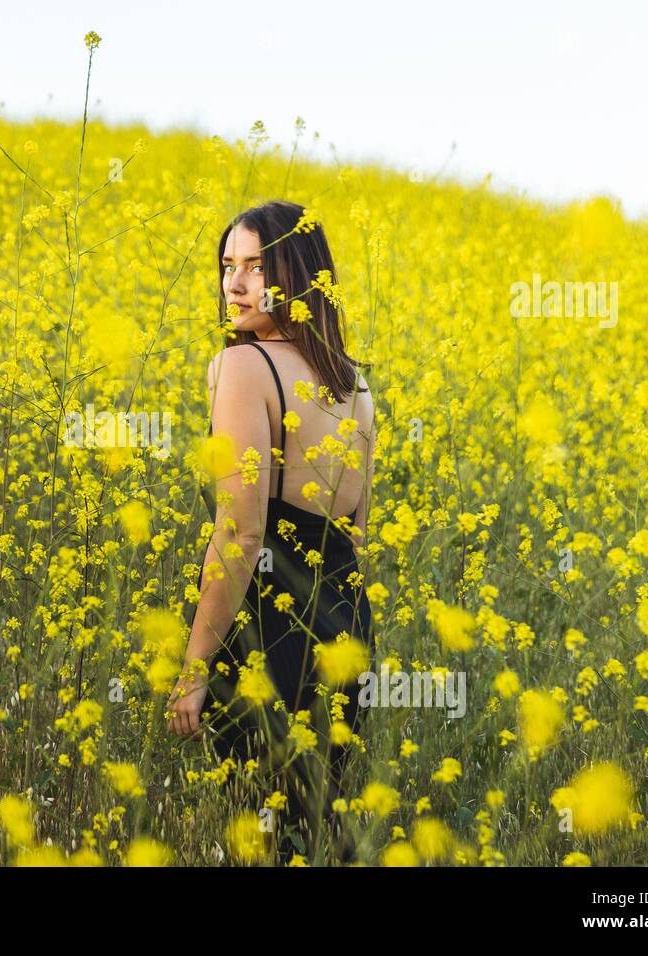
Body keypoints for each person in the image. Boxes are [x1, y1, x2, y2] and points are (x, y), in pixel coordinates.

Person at [166, 199, 376, 866]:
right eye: (228, 266)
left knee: (259, 837)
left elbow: (240, 532)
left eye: (256, 267)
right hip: (347, 625)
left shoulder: (242, 368)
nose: (235, 284)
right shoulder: (356, 384)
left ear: (300, 274)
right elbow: (357, 532)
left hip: (269, 635)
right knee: (322, 830)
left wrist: (194, 672)